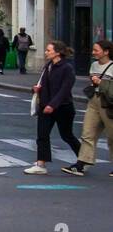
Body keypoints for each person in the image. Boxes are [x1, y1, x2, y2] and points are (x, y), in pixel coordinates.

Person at [26, 41, 84, 175]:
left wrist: (53, 105)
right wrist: (35, 89)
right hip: (45, 106)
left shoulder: (67, 68)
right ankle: (41, 164)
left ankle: (84, 159)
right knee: (42, 135)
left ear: (57, 53)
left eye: (48, 50)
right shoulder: (48, 66)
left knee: (67, 135)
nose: (46, 52)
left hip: (63, 107)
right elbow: (44, 85)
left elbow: (65, 89)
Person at [63, 39, 113, 177]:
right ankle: (82, 164)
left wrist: (101, 82)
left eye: (96, 50)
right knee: (87, 133)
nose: (93, 52)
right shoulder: (94, 65)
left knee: (112, 136)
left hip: (109, 103)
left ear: (106, 52)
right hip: (94, 101)